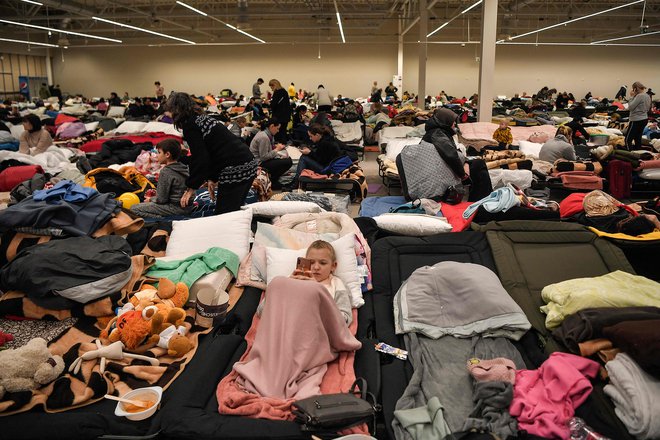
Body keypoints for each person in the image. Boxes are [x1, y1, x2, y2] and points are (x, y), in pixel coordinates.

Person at [168, 92, 258, 215]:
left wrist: (191, 187)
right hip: (248, 162)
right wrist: (212, 177)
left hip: (236, 167)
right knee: (234, 209)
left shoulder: (191, 125)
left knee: (224, 214)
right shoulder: (202, 118)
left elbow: (201, 158)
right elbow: (215, 151)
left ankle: (234, 232)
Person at [423, 108, 491, 202]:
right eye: (452, 122)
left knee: (480, 171)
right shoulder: (437, 135)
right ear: (445, 121)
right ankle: (482, 203)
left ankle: (479, 202)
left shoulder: (437, 132)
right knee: (479, 164)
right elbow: (451, 155)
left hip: (440, 166)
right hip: (440, 170)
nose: (455, 124)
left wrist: (466, 162)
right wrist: (463, 174)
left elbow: (452, 152)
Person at [290, 240, 352, 325]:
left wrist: (316, 288)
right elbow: (270, 310)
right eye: (311, 262)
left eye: (322, 263)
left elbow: (345, 319)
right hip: (292, 325)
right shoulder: (295, 280)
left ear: (333, 266)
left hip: (320, 329)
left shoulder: (337, 285)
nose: (316, 267)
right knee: (277, 283)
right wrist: (287, 285)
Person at [130, 139, 192, 219]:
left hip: (175, 208)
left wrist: (151, 199)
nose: (157, 155)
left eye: (159, 152)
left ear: (167, 154)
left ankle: (162, 219)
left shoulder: (166, 171)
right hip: (188, 206)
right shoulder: (184, 167)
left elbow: (162, 200)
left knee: (133, 209)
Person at [250, 118, 293, 189]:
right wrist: (277, 150)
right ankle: (272, 181)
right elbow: (264, 157)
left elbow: (267, 151)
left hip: (259, 160)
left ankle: (272, 179)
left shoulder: (265, 133)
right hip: (259, 163)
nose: (278, 131)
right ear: (272, 126)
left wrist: (277, 153)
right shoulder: (264, 137)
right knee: (288, 161)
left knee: (285, 158)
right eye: (277, 128)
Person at [626, 81, 652, 150]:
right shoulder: (647, 96)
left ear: (635, 89)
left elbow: (631, 107)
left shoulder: (639, 96)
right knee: (637, 139)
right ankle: (639, 154)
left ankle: (630, 156)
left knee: (628, 139)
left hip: (636, 120)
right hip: (644, 119)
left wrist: (631, 97)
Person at [268, 79, 292, 143]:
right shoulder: (285, 92)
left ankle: (279, 148)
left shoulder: (277, 92)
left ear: (274, 85)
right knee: (283, 132)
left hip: (279, 117)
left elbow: (273, 105)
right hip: (286, 116)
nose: (271, 89)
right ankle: (283, 146)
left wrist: (268, 103)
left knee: (277, 134)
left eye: (271, 87)